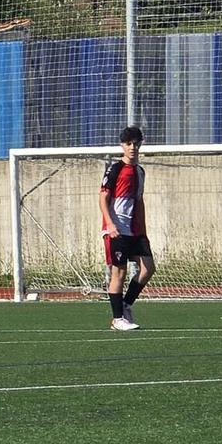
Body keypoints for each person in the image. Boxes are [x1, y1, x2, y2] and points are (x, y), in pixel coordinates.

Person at [98, 125, 156, 331]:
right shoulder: (115, 169)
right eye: (128, 143)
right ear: (122, 145)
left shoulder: (140, 172)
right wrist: (110, 223)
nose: (132, 147)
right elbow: (103, 198)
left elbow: (139, 201)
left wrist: (144, 231)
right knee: (119, 274)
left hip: (135, 230)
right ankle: (117, 319)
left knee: (148, 268)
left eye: (136, 143)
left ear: (141, 144)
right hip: (117, 230)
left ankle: (126, 304)